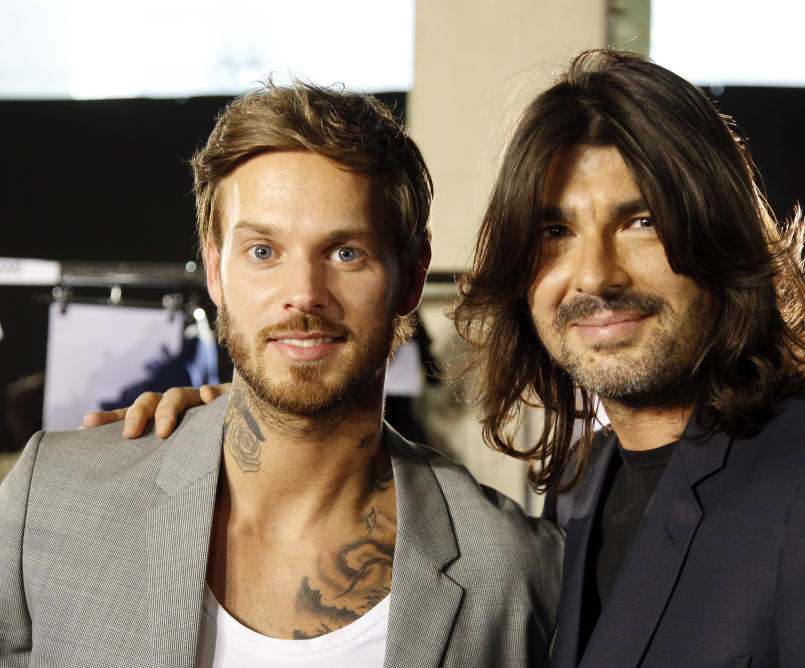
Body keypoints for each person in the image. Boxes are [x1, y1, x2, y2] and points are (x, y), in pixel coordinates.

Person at [88, 51, 805, 667]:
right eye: (554, 232)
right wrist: (238, 429)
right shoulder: (585, 490)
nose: (595, 276)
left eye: (643, 220)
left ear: (718, 233)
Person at [0, 81, 561, 667]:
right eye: (264, 251)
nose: (304, 295)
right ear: (216, 271)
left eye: (345, 252)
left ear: (412, 276)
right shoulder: (55, 499)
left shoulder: (513, 568)